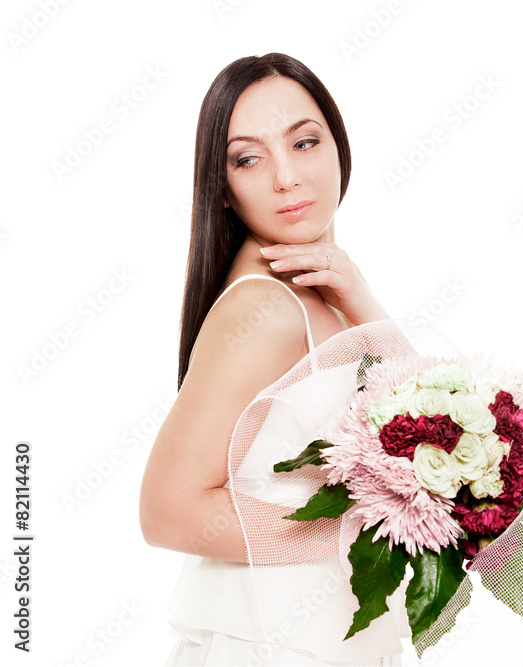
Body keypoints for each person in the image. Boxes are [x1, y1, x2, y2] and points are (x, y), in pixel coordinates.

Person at [139, 53, 408, 666]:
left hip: (321, 627)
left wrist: (361, 298)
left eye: (305, 143)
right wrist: (356, 532)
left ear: (340, 147)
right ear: (224, 189)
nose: (286, 177)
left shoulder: (325, 291)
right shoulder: (264, 309)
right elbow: (168, 510)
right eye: (248, 158)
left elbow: (423, 419)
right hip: (277, 638)